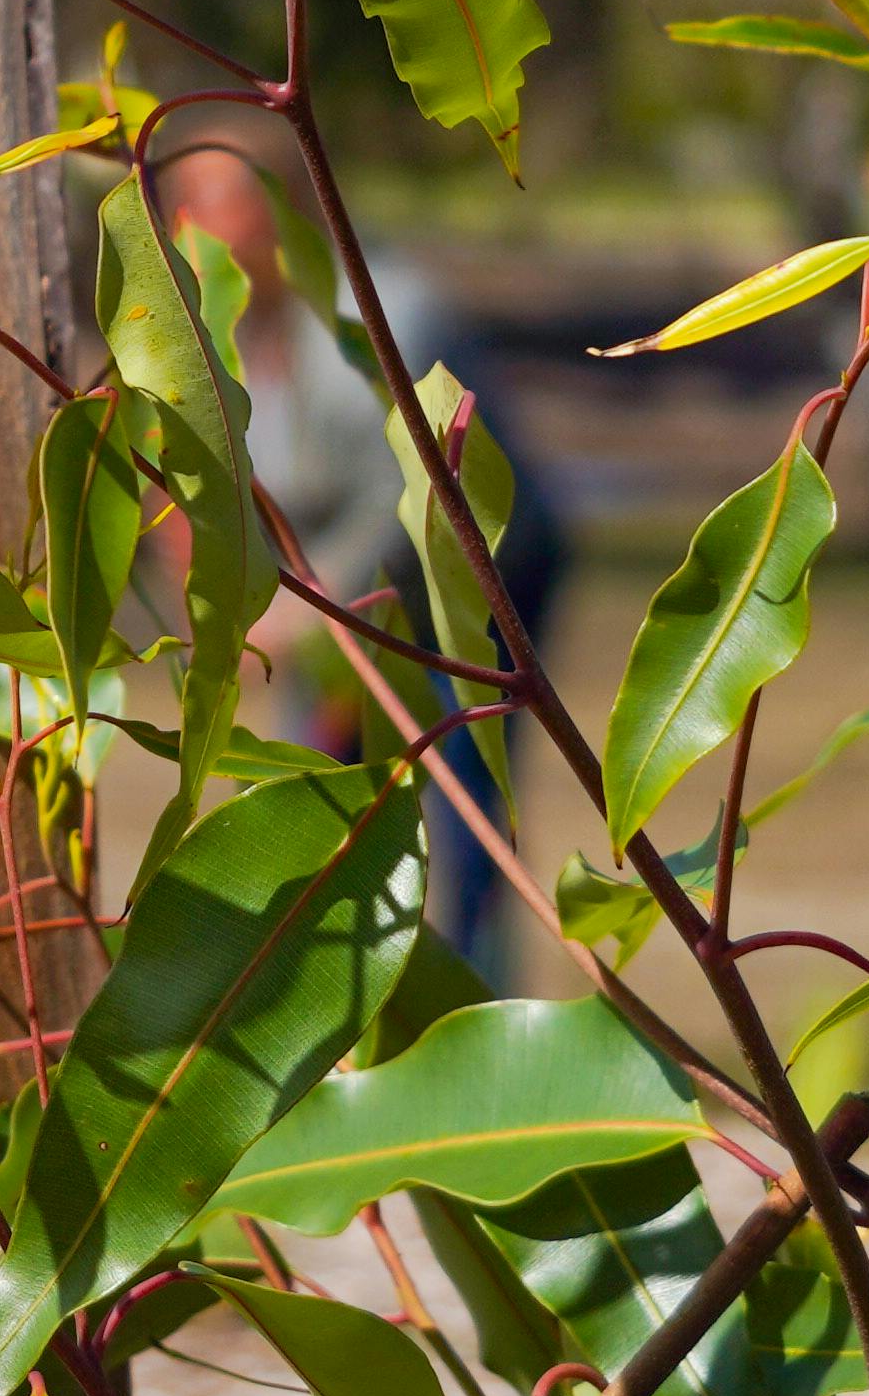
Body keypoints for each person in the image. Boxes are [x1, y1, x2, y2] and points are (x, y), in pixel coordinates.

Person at [148, 122, 567, 964]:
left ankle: (478, 989)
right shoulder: (208, 340)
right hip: (340, 598)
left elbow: (410, 497)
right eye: (175, 209)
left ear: (281, 206)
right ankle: (330, 1002)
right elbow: (191, 494)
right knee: (310, 792)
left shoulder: (386, 314)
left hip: (478, 584)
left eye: (217, 203)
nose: (192, 229)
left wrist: (312, 611)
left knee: (466, 799)